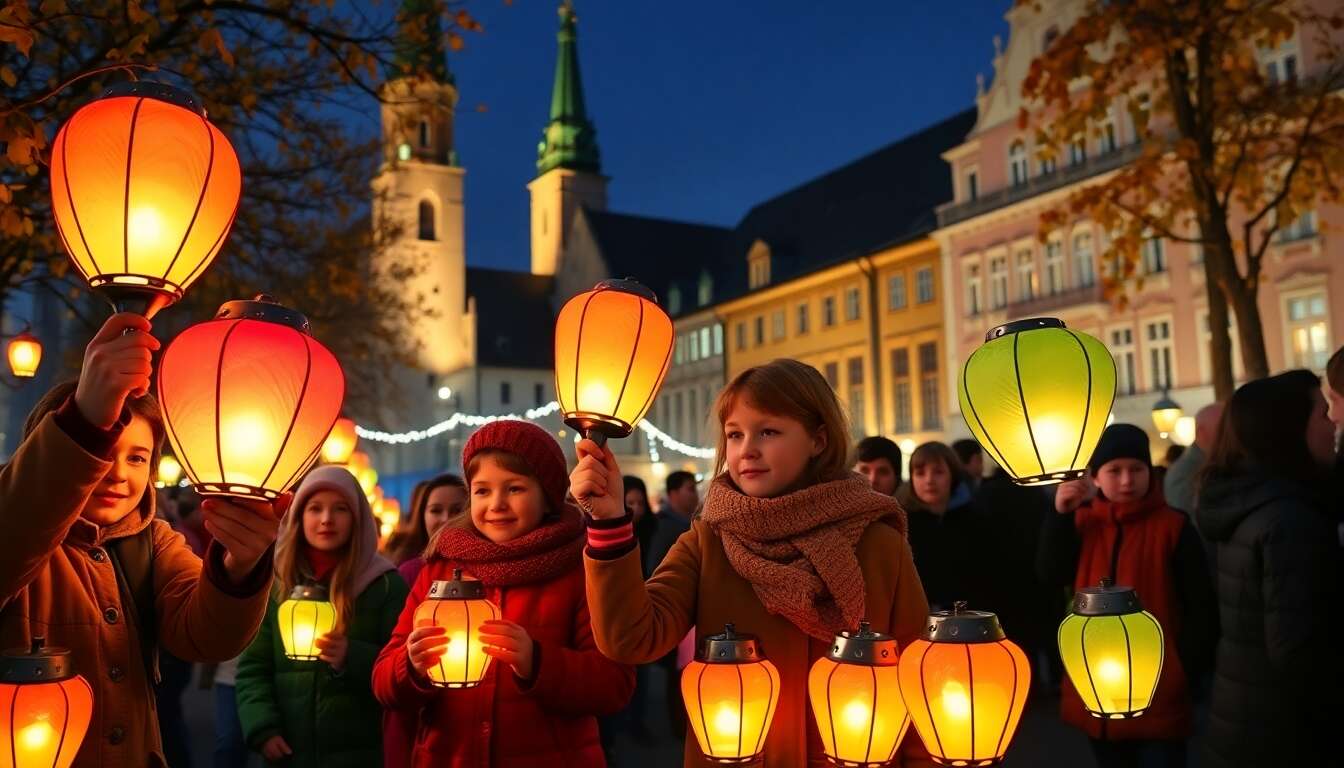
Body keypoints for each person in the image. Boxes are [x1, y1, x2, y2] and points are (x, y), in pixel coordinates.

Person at [571, 359, 931, 767]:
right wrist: (609, 524)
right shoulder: (709, 541)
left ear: (819, 440)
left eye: (769, 431)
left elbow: (919, 682)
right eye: (735, 434)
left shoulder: (878, 544)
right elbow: (630, 638)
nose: (747, 450)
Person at [0, 313, 281, 768]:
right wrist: (87, 415)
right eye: (101, 452)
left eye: (137, 458)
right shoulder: (19, 526)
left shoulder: (153, 541)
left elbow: (204, 636)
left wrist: (237, 569)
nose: (117, 474)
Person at [373, 420, 634, 765]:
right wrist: (411, 665)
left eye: (514, 489)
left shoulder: (579, 570)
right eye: (482, 490)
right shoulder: (438, 570)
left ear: (547, 496)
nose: (496, 504)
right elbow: (383, 682)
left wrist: (536, 662)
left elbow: (614, 684)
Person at [1039, 424, 1217, 768]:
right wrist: (1059, 516)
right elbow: (1050, 573)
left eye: (1136, 470)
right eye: (1114, 470)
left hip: (1159, 690)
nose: (1126, 480)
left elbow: (1201, 606)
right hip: (1094, 685)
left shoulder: (1174, 526)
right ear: (1095, 477)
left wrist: (1184, 669)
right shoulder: (1083, 523)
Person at [1195, 370, 1342, 768]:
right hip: (1285, 734)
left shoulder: (1244, 503)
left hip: (1245, 719)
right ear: (1288, 431)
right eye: (1321, 412)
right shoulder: (1290, 520)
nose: (1332, 422)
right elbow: (1300, 652)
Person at [236, 466, 408, 767]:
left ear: (357, 518)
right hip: (290, 751)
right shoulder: (277, 583)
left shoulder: (383, 585)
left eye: (340, 509)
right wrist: (263, 727)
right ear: (299, 517)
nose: (326, 519)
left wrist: (352, 656)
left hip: (362, 752)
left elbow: (403, 667)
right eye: (315, 509)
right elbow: (253, 667)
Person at [383, 472, 467, 768]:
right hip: (414, 706)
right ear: (422, 515)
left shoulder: (482, 572)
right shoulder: (409, 573)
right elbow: (387, 660)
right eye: (436, 510)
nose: (446, 518)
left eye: (457, 510)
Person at [973, 456, 1061, 692]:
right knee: (1039, 634)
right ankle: (1047, 680)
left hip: (1000, 577)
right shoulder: (1036, 493)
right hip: (1034, 574)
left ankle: (1017, 684)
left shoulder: (986, 493)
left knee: (1012, 635)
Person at [896, 442, 995, 613]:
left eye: (938, 472)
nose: (929, 480)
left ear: (953, 475)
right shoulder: (901, 524)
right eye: (920, 473)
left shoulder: (976, 520)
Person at [1164, 403, 1224, 515]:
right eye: (1222, 428)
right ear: (1201, 432)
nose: (1229, 434)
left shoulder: (1205, 464)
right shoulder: (1185, 471)